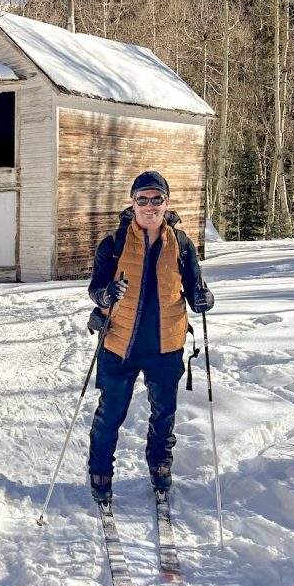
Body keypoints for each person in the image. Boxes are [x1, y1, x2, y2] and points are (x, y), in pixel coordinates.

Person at [87, 170, 214, 503]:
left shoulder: (182, 244)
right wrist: (105, 296)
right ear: (133, 204)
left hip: (166, 345)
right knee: (111, 413)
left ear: (166, 203)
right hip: (119, 344)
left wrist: (204, 299)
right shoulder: (113, 244)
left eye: (156, 198)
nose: (149, 205)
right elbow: (95, 288)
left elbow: (196, 287)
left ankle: (159, 464)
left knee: (164, 413)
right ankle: (100, 470)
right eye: (142, 199)